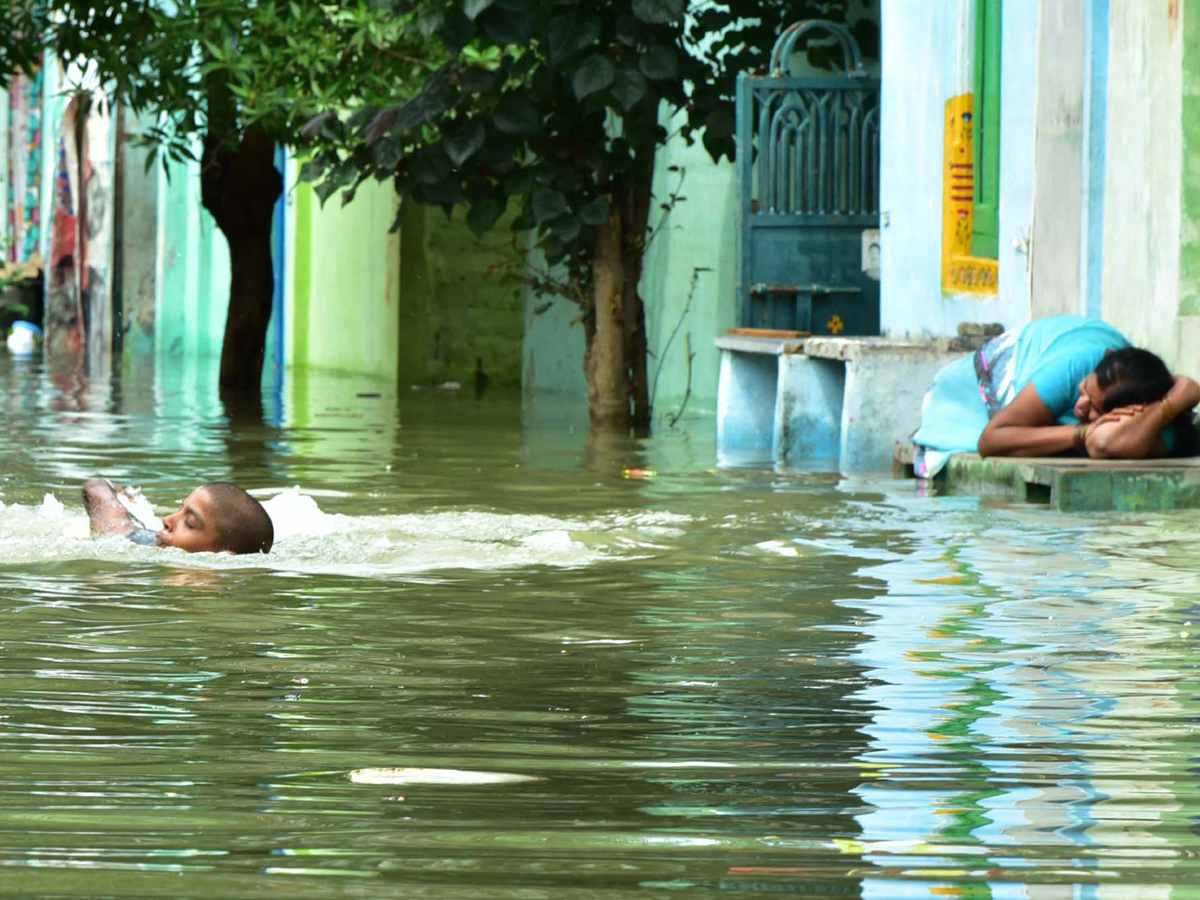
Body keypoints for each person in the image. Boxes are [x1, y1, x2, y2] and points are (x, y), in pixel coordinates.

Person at [912, 315, 1200, 476]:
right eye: (1086, 390)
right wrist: (1080, 434)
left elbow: (1107, 441)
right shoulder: (1077, 364)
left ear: (1134, 411)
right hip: (956, 391)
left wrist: (1174, 401)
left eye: (1094, 410)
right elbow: (990, 440)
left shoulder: (1157, 423)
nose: (1080, 405)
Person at [82, 478, 274, 554]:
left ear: (224, 555)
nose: (167, 520)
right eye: (180, 509)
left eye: (189, 523)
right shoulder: (135, 544)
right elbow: (96, 488)